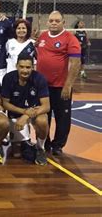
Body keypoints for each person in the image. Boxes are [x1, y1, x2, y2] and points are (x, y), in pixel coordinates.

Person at [36, 11, 81, 155]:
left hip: (61, 87)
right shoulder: (42, 37)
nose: (54, 23)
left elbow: (75, 63)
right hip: (42, 87)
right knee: (44, 116)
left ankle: (58, 145)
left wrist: (68, 85)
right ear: (47, 22)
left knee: (62, 117)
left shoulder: (70, 39)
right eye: (51, 21)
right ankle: (45, 143)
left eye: (57, 21)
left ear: (63, 23)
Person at [1, 54, 50, 165]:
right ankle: (24, 142)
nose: (25, 70)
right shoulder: (8, 78)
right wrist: (23, 112)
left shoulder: (39, 78)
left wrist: (26, 116)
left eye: (28, 67)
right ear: (16, 66)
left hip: (34, 112)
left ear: (33, 67)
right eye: (22, 67)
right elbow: (5, 104)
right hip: (16, 113)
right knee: (17, 154)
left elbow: (46, 106)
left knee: (42, 121)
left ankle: (40, 148)